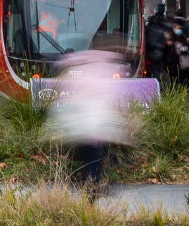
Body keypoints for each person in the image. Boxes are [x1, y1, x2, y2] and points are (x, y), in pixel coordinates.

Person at [47, 37, 133, 201]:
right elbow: (110, 98)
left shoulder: (85, 67)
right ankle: (92, 190)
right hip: (93, 125)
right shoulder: (101, 69)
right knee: (94, 157)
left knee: (92, 157)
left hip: (87, 125)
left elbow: (68, 85)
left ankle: (91, 187)